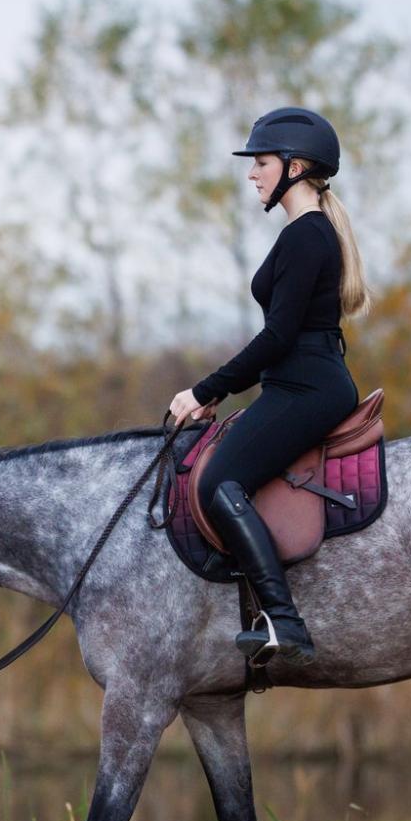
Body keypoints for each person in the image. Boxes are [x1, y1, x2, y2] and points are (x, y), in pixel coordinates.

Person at [167, 106, 370, 668]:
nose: (252, 174)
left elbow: (278, 336)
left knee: (217, 481)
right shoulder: (302, 233)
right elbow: (280, 340)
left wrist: (204, 390)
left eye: (260, 163)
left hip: (308, 388)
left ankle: (283, 620)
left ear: (295, 166)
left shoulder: (308, 236)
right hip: (295, 383)